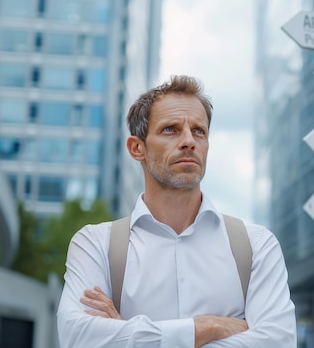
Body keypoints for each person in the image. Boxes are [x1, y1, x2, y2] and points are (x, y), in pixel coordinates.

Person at [57, 75, 297, 347]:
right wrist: (206, 327)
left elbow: (278, 342)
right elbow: (78, 339)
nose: (189, 141)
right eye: (170, 129)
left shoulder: (256, 245)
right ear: (137, 148)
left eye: (199, 131)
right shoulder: (96, 244)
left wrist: (127, 333)